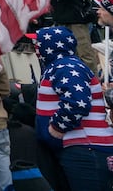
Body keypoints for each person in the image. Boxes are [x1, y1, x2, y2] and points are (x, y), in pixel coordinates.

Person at [35, 26, 113, 191]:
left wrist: (55, 129)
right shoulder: (63, 65)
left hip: (85, 150)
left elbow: (77, 102)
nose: (37, 49)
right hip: (83, 149)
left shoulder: (65, 67)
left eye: (38, 44)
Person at [47, 0, 97, 71]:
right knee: (62, 53)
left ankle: (93, 81)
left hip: (76, 24)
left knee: (84, 53)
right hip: (60, 23)